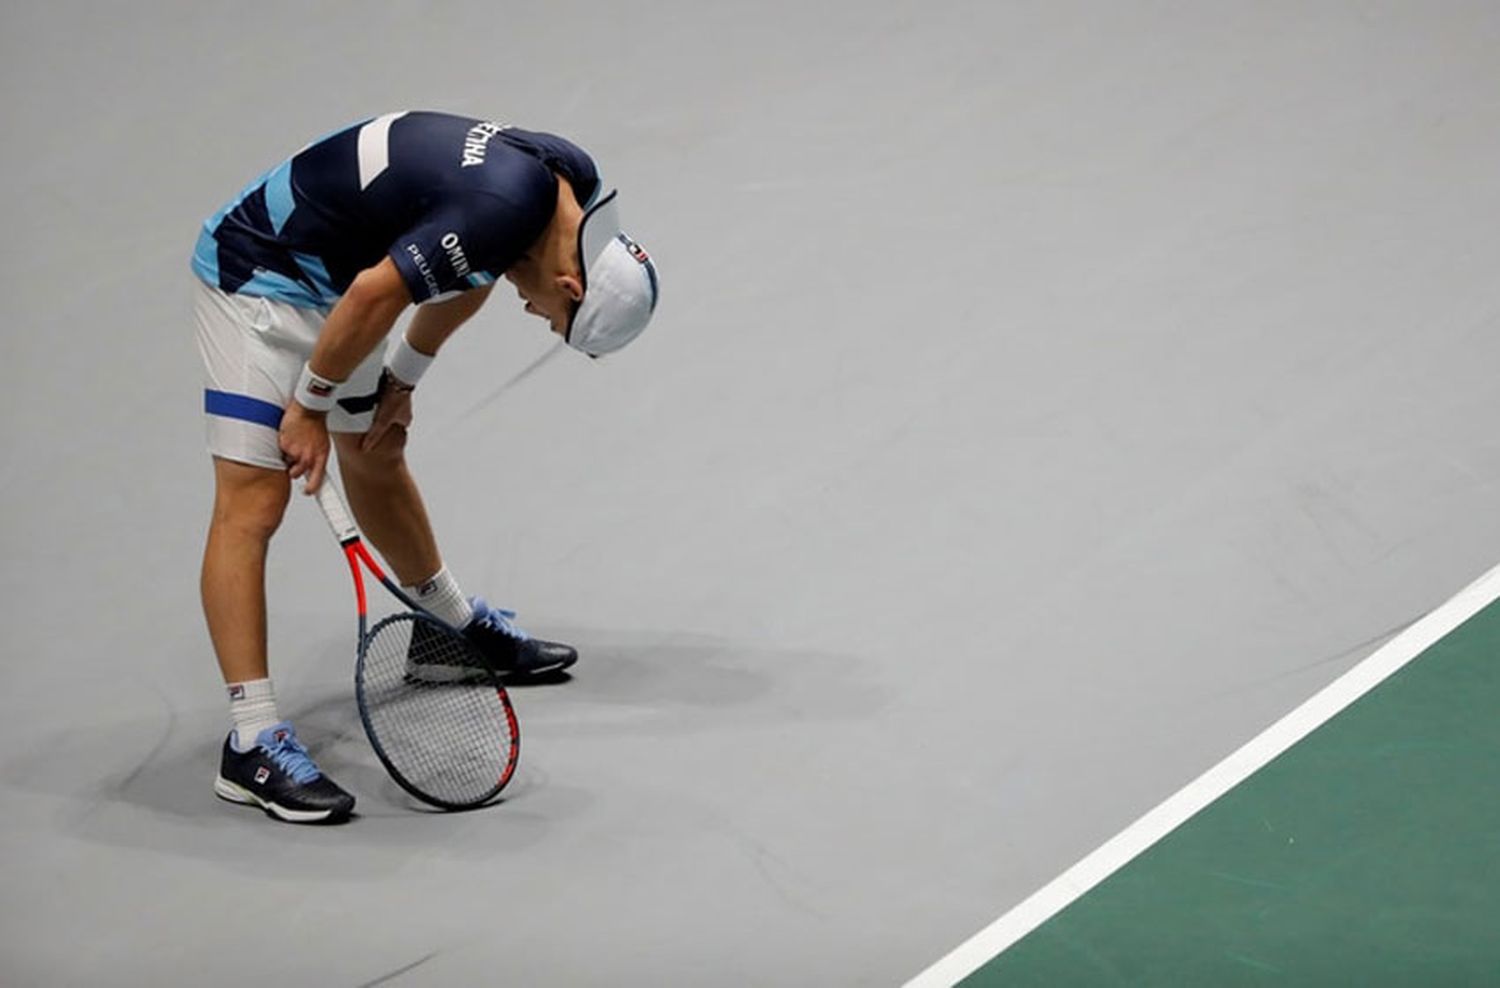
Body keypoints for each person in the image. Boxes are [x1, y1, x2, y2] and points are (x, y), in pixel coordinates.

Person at [190, 111, 660, 824]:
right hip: (259, 272)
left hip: (347, 276)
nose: (536, 316)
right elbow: (382, 293)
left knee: (375, 450)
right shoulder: (504, 205)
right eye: (550, 320)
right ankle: (251, 741)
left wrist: (402, 380)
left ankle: (447, 631)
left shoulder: (568, 192)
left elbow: (471, 266)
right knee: (252, 503)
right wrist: (309, 406)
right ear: (571, 286)